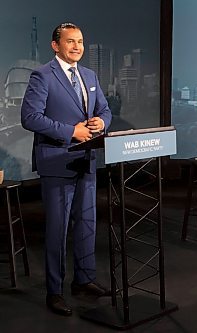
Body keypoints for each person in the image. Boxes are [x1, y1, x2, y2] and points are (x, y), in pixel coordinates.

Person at [21, 22, 112, 316]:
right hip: (57, 161)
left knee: (87, 224)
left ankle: (84, 280)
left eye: (81, 42)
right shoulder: (42, 75)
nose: (77, 47)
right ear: (55, 45)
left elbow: (105, 110)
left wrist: (102, 123)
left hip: (86, 160)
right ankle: (55, 291)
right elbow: (30, 117)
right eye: (70, 41)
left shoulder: (89, 75)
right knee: (58, 230)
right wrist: (69, 131)